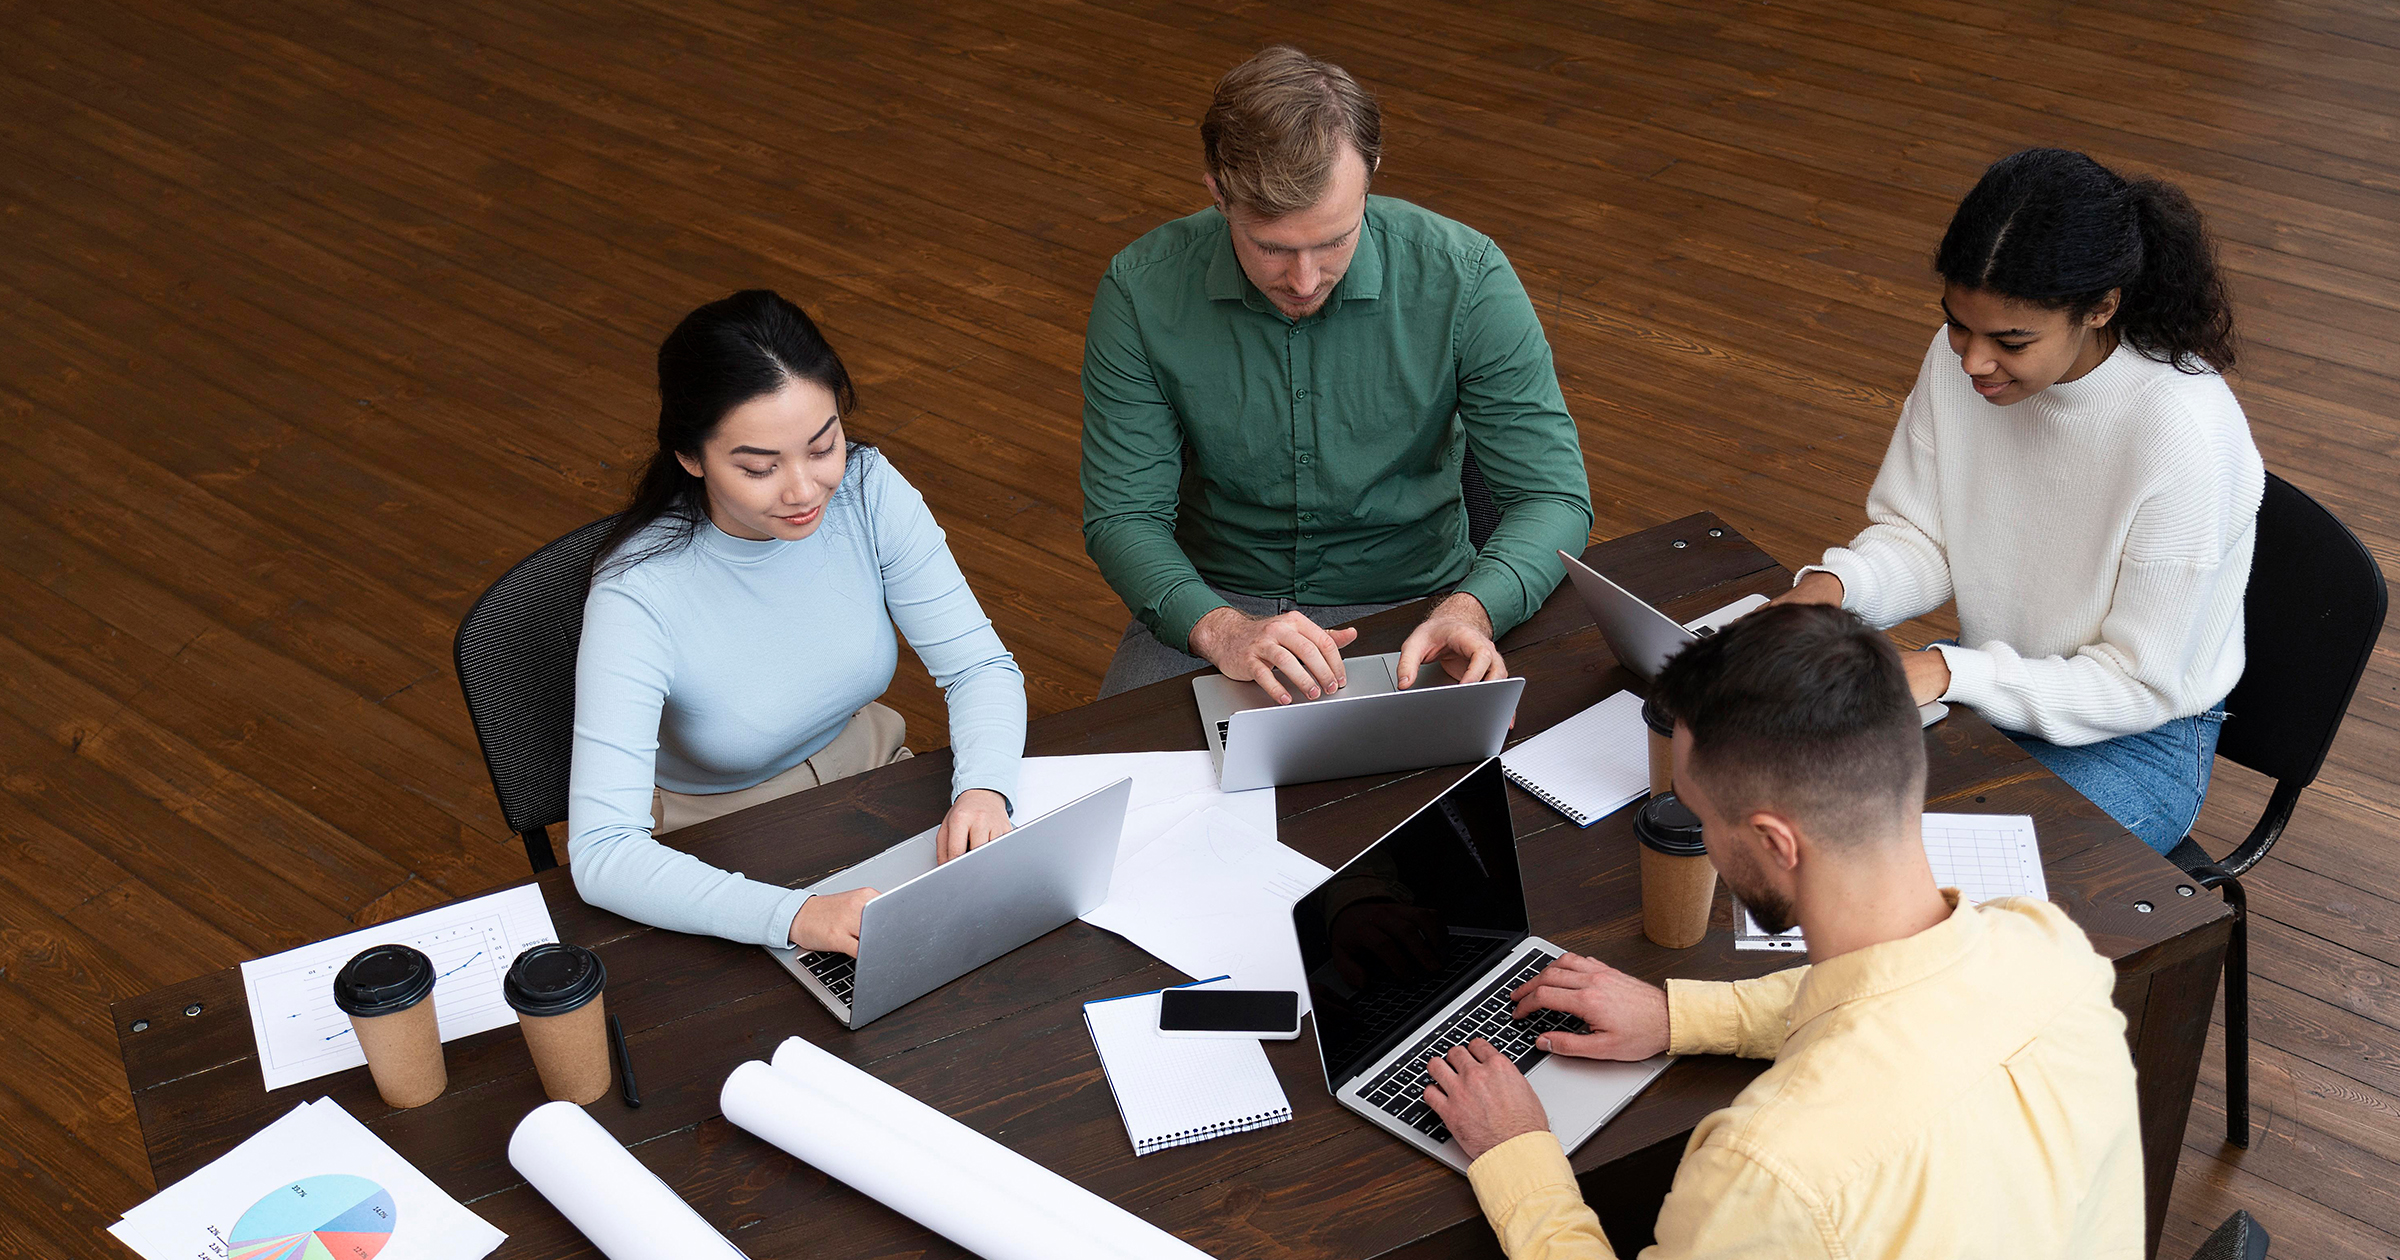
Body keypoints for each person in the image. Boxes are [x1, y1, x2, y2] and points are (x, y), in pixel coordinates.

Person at [1420, 603, 2144, 1258]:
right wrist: (1679, 1016)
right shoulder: (2047, 946)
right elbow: (1896, 993)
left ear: (1774, 842)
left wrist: (1518, 1153)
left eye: (1702, 814)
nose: (1701, 836)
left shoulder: (1767, 1175)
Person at [1774, 148, 2263, 855]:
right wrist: (1830, 591)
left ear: (2101, 307)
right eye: (1957, 324)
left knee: (1911, 874)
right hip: (1993, 686)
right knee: (1782, 801)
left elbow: (2138, 684)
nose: (1973, 361)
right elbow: (1924, 538)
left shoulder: (2183, 433)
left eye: (2011, 340)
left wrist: (1951, 671)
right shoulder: (1961, 364)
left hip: (2137, 736)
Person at [1081, 46, 1593, 703]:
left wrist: (1474, 608)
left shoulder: (1466, 277)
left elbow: (1552, 497)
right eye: (1271, 247)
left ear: (1370, 178)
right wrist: (1219, 627)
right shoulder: (1140, 290)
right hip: (1220, 605)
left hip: (1424, 602)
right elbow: (1124, 515)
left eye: (1334, 241)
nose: (1303, 281)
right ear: (1217, 192)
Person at [567, 290, 1027, 956]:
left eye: (823, 447)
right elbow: (604, 851)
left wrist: (984, 789)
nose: (805, 491)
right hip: (722, 846)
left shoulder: (866, 488)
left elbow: (979, 666)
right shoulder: (636, 593)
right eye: (760, 468)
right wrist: (796, 917)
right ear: (691, 456)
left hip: (876, 784)